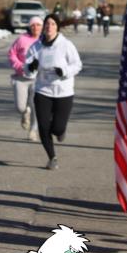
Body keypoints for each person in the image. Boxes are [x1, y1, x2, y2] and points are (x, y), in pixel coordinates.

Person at [25, 14, 82, 170]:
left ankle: (60, 131)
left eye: (53, 24)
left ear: (57, 27)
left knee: (57, 128)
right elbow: (27, 68)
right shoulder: (36, 47)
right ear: (44, 27)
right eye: (47, 24)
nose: (49, 26)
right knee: (43, 127)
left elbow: (77, 65)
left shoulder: (66, 45)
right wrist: (30, 67)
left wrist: (64, 71)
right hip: (42, 91)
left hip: (63, 92)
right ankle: (52, 158)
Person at [8, 16, 42, 142]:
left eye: (38, 25)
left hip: (38, 79)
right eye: (33, 25)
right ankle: (25, 112)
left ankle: (33, 130)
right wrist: (20, 66)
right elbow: (11, 54)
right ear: (29, 27)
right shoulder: (22, 39)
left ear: (42, 27)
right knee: (20, 107)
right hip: (21, 77)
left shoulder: (44, 40)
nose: (35, 27)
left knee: (36, 106)